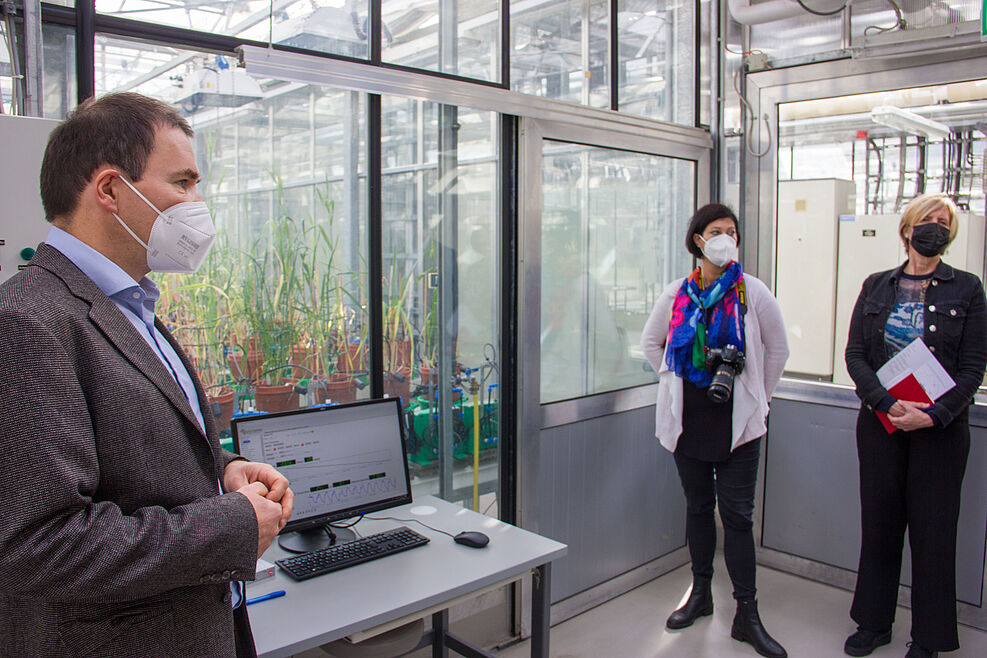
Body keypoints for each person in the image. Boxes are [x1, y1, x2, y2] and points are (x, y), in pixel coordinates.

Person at [0, 92, 294, 657]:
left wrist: (224, 470)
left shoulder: (131, 308)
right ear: (110, 190)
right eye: (182, 183)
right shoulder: (29, 321)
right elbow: (35, 546)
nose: (197, 201)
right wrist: (230, 528)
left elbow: (136, 457)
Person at [641, 203, 789, 658]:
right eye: (717, 231)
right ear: (698, 241)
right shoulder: (676, 293)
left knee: (739, 518)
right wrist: (674, 381)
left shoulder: (754, 292)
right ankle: (700, 594)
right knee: (699, 508)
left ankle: (747, 613)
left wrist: (755, 398)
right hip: (691, 421)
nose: (727, 238)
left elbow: (778, 350)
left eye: (733, 232)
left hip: (738, 425)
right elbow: (651, 343)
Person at [843, 193, 986, 658]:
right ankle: (873, 622)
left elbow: (973, 367)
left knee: (933, 531)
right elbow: (856, 356)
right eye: (928, 220)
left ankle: (929, 637)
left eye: (944, 223)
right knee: (880, 524)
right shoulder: (876, 286)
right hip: (881, 426)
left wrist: (932, 414)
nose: (936, 228)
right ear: (907, 230)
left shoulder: (967, 289)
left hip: (940, 432)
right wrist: (885, 403)